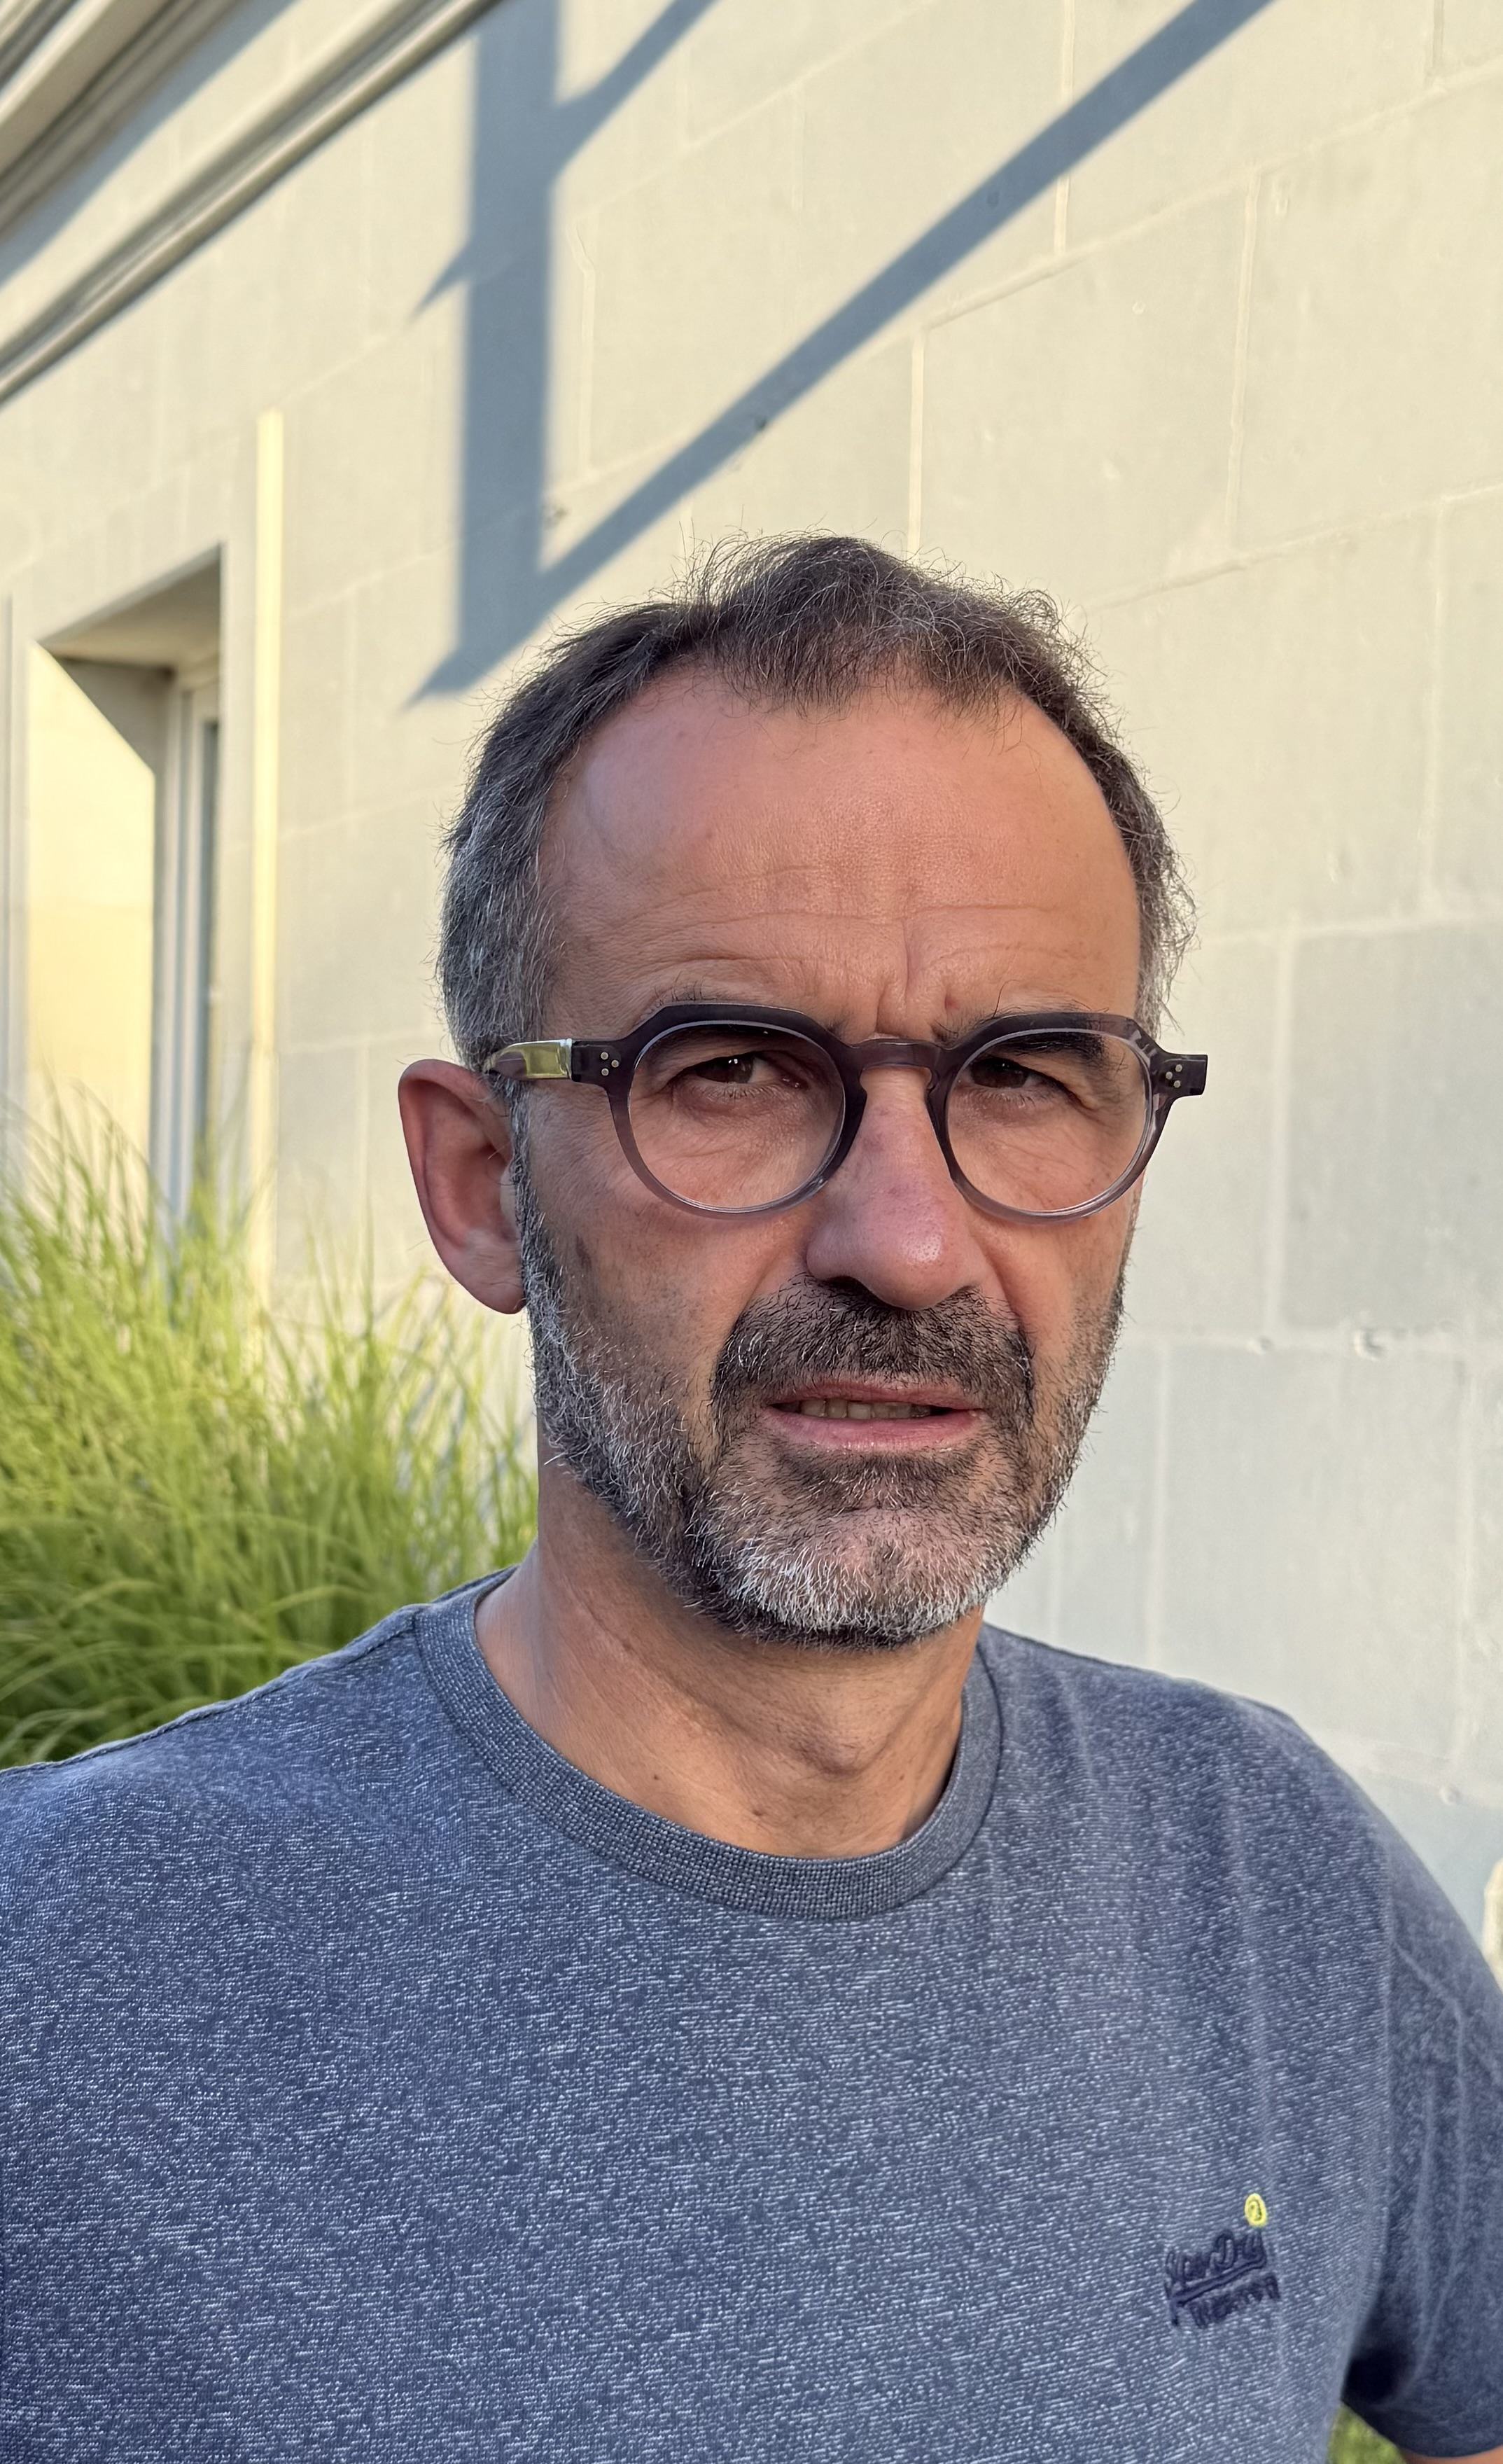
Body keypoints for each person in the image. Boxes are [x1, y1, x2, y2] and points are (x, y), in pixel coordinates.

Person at [1, 538, 1499, 2463]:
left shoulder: (1268, 1880)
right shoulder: (68, 1983)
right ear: (480, 1186)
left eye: (1026, 1073)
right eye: (732, 1070)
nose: (908, 1241)